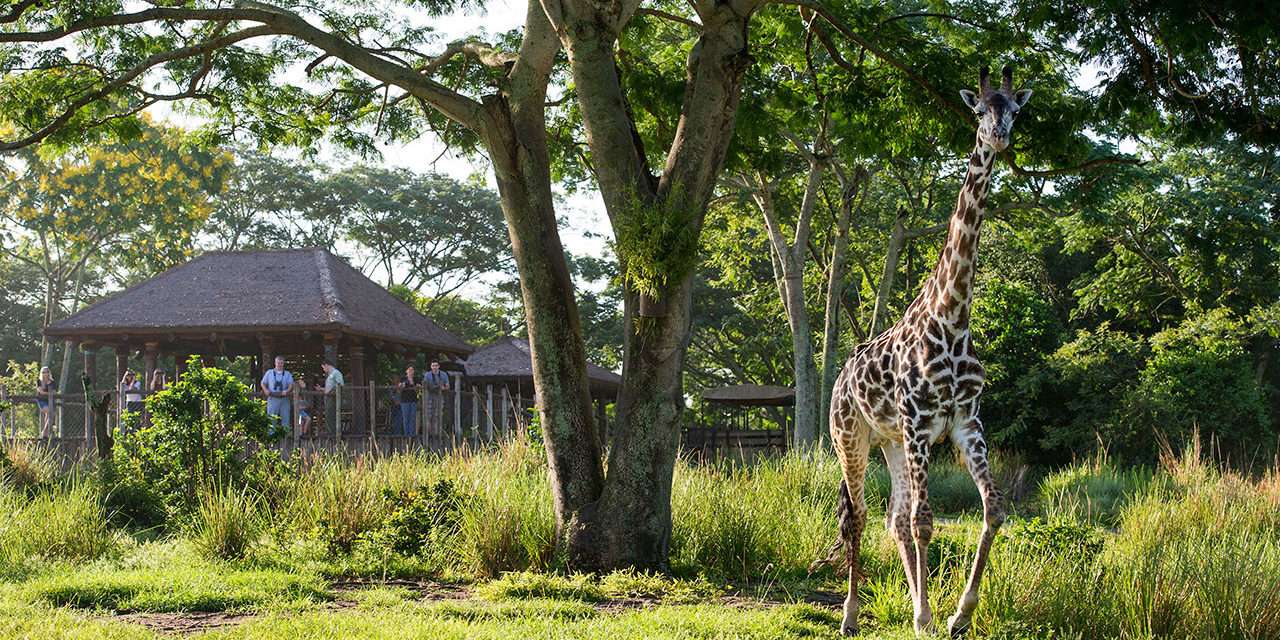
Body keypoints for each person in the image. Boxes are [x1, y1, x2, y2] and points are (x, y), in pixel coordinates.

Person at [260, 355, 294, 436]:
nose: (279, 364)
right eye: (278, 363)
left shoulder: (287, 374)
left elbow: (291, 385)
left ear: (283, 364)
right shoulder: (269, 373)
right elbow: (263, 383)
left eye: (281, 363)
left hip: (284, 399)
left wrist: (287, 391)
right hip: (272, 399)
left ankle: (285, 437)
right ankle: (271, 438)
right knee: (271, 419)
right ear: (275, 363)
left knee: (285, 418)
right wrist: (266, 390)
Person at [316, 360, 344, 434]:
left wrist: (331, 393)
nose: (323, 370)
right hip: (328, 398)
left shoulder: (336, 373)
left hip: (333, 398)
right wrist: (321, 389)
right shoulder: (330, 375)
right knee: (328, 416)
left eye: (323, 368)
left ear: (326, 365)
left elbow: (340, 385)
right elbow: (329, 388)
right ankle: (330, 432)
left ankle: (333, 433)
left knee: (331, 416)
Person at [422, 360, 450, 435]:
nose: (434, 367)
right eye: (433, 366)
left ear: (439, 366)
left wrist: (443, 388)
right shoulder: (427, 375)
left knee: (438, 414)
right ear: (431, 367)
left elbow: (447, 386)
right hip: (429, 396)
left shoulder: (443, 374)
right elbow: (424, 385)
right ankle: (429, 434)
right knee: (429, 415)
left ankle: (437, 433)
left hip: (440, 396)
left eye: (436, 365)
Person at [396, 365, 420, 437]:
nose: (411, 372)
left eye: (412, 370)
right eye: (409, 370)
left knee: (412, 418)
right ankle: (406, 435)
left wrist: (415, 385)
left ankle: (412, 434)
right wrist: (406, 383)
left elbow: (418, 388)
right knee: (406, 418)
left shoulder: (416, 379)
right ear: (406, 371)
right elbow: (400, 387)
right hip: (405, 401)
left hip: (413, 400)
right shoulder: (403, 378)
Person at [35, 366, 53, 438]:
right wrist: (49, 393)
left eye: (47, 372)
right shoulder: (39, 381)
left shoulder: (51, 382)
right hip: (41, 400)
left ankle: (45, 433)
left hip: (50, 401)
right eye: (43, 372)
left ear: (49, 373)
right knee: (49, 411)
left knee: (50, 415)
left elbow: (54, 391)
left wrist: (50, 391)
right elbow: (40, 392)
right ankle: (44, 432)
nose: (45, 374)